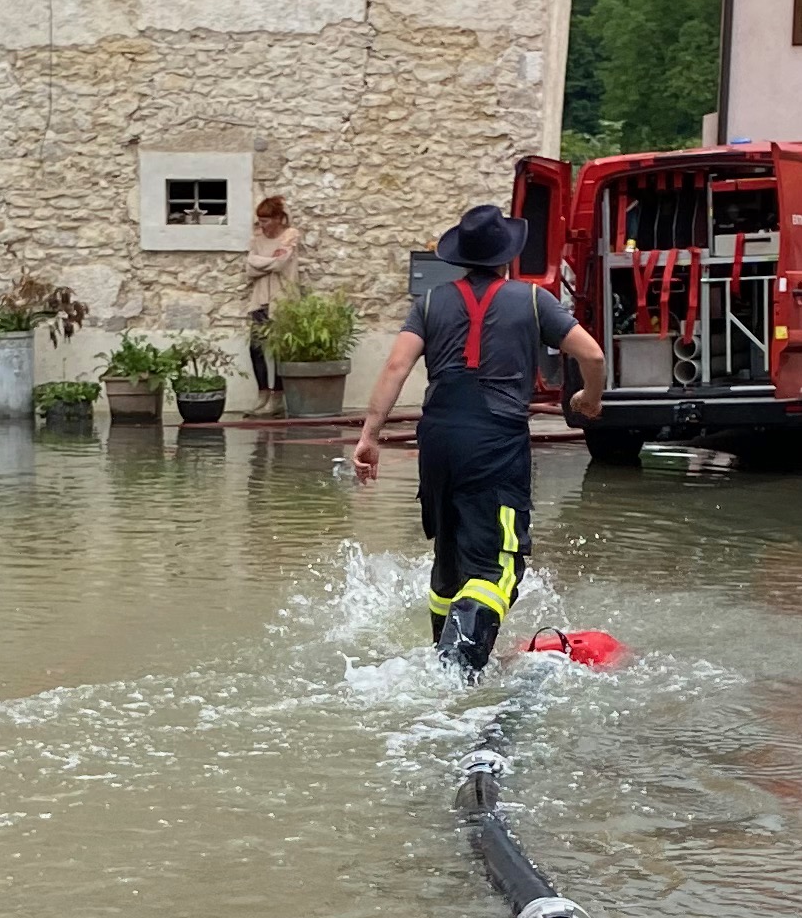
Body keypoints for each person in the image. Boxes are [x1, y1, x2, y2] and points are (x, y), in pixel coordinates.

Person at [349, 206, 604, 675]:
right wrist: (589, 395)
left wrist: (369, 437)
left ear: (460, 257)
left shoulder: (429, 303)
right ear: (508, 255)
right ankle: (459, 666)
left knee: (449, 559)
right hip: (495, 440)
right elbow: (592, 352)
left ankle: (443, 662)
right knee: (498, 565)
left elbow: (395, 368)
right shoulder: (532, 300)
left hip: (439, 439)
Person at [243, 193, 302, 395]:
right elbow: (249, 269)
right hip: (261, 299)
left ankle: (278, 394)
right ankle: (263, 393)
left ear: (278, 218)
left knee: (280, 349)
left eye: (266, 220)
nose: (262, 224)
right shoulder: (258, 239)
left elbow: (280, 264)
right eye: (260, 220)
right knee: (256, 348)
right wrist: (269, 261)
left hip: (282, 297)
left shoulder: (290, 235)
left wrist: (261, 261)